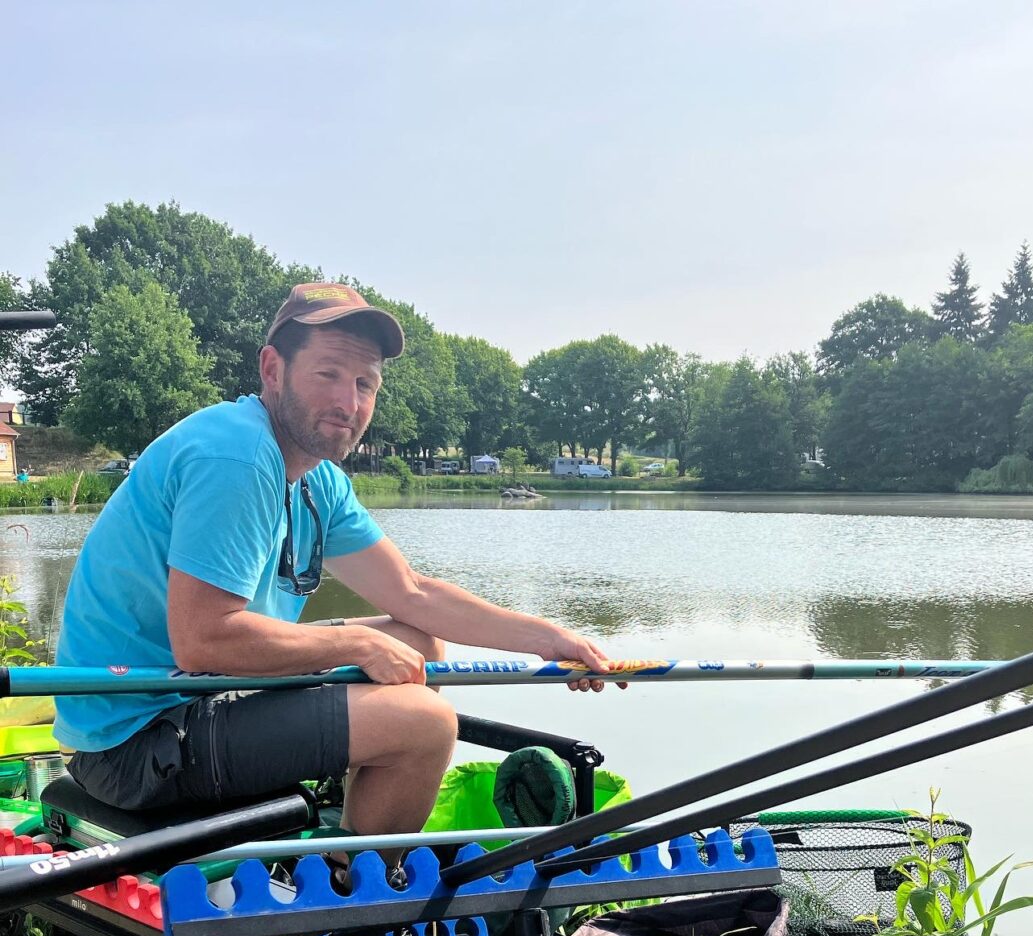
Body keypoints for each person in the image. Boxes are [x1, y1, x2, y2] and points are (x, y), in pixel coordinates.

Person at [53, 282, 620, 846]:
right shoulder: (238, 455)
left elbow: (412, 593)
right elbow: (204, 641)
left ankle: (357, 812)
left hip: (204, 696)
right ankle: (352, 892)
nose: (348, 404)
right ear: (273, 369)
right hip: (132, 740)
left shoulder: (317, 478)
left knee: (418, 642)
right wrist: (357, 645)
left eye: (364, 384)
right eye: (327, 374)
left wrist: (550, 639)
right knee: (426, 725)